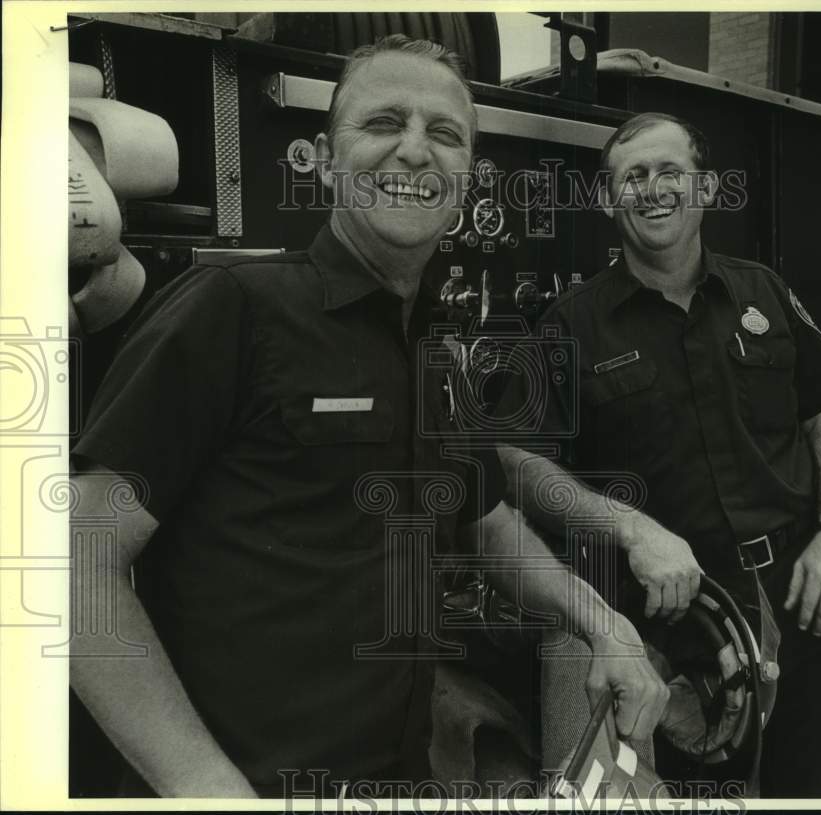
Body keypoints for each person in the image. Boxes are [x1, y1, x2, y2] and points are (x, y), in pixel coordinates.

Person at [68, 37, 668, 799]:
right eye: (384, 122)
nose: (415, 150)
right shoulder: (235, 308)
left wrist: (602, 621)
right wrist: (205, 787)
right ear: (324, 161)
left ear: (469, 178)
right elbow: (75, 559)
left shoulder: (437, 348)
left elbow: (486, 523)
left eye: (444, 133)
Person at [497, 111, 821, 797]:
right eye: (632, 176)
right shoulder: (571, 324)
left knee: (815, 790)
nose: (653, 189)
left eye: (671, 171)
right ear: (608, 199)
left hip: (803, 595)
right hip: (673, 625)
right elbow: (515, 462)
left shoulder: (763, 291)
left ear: (707, 188)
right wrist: (630, 530)